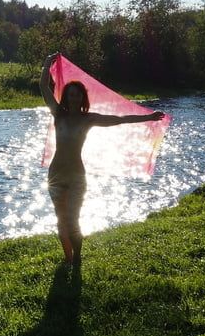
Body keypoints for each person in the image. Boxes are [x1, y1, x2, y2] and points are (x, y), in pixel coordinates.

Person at [41, 52, 165, 265]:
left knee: (72, 222)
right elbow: (44, 87)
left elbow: (119, 120)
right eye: (70, 95)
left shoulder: (89, 119)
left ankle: (77, 257)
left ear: (82, 98)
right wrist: (46, 66)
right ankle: (68, 259)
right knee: (61, 222)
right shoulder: (58, 115)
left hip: (77, 177)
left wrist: (148, 117)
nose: (73, 98)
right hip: (55, 176)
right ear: (66, 97)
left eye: (77, 95)